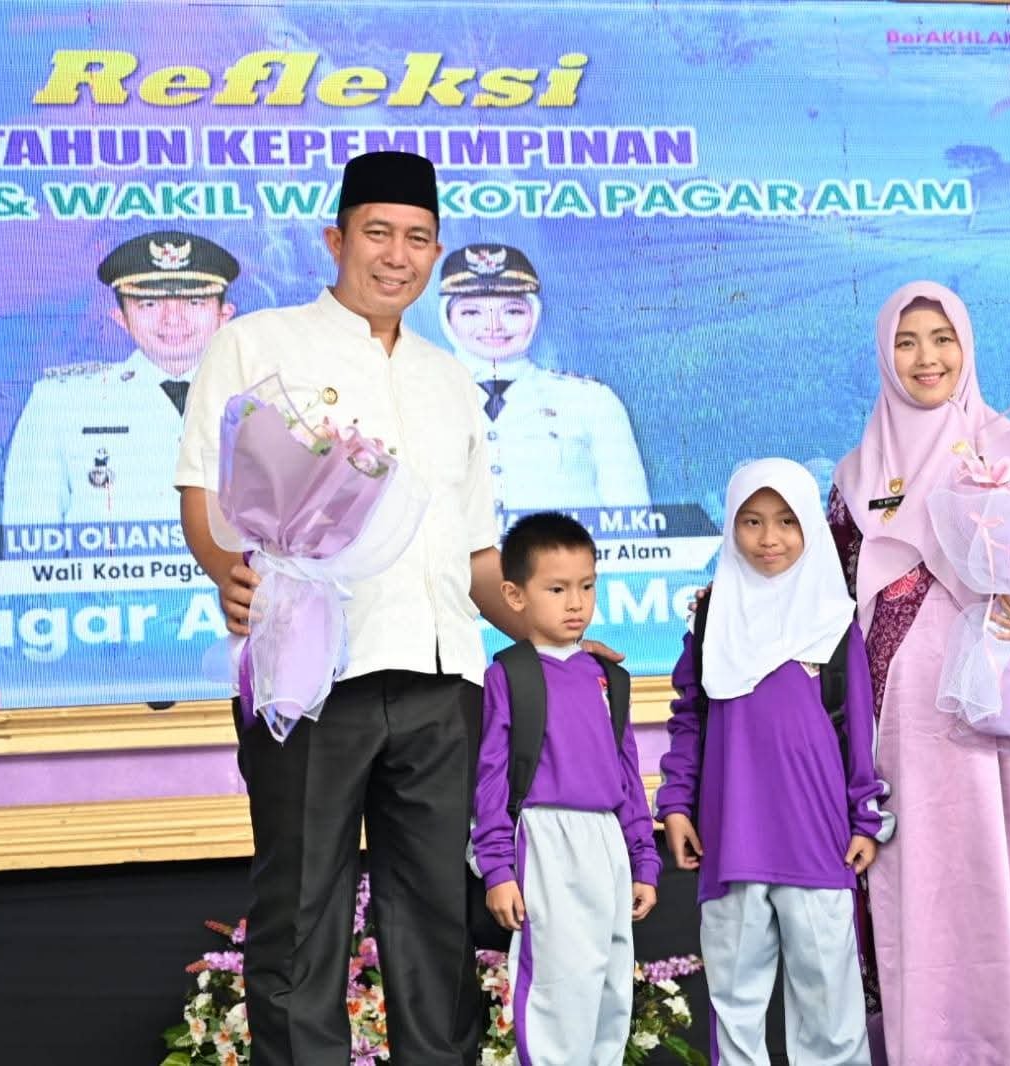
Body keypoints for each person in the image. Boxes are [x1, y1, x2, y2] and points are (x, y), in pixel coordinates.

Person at [175, 152, 530, 1066]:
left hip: (440, 682)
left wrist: (541, 630)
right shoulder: (257, 344)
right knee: (301, 913)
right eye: (377, 233)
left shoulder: (449, 378)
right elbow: (202, 495)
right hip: (310, 676)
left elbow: (476, 552)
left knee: (436, 918)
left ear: (436, 252)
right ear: (335, 240)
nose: (396, 255)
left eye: (417, 238)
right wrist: (227, 570)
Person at [828, 281, 1010, 1063]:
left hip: (1009, 721)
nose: (925, 358)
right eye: (905, 342)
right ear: (884, 356)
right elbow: (822, 602)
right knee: (923, 890)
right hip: (902, 735)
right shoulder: (855, 476)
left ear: (966, 346)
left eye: (941, 339)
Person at [657, 458, 892, 1066]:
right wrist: (676, 804)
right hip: (730, 839)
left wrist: (865, 819)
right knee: (735, 1003)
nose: (769, 538)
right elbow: (690, 720)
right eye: (752, 521)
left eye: (788, 521)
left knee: (830, 1006)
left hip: (818, 839)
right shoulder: (711, 618)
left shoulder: (835, 622)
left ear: (811, 525)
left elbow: (858, 728)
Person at [470, 512, 661, 1066]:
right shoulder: (508, 675)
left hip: (607, 843)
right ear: (515, 594)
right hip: (545, 840)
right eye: (556, 589)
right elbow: (491, 778)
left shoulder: (609, 677)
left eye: (586, 586)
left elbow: (627, 775)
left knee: (610, 988)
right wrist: (499, 870)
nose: (575, 603)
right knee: (557, 989)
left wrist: (643, 861)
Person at [2, 230, 239, 525]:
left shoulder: (265, 397)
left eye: (194, 302)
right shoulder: (60, 402)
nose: (172, 319)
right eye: (149, 304)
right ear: (121, 318)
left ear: (224, 314)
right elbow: (28, 530)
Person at [438, 243, 652, 515]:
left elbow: (633, 518)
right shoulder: (416, 400)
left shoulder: (591, 400)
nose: (493, 326)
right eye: (471, 312)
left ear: (535, 314)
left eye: (512, 311)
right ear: (447, 318)